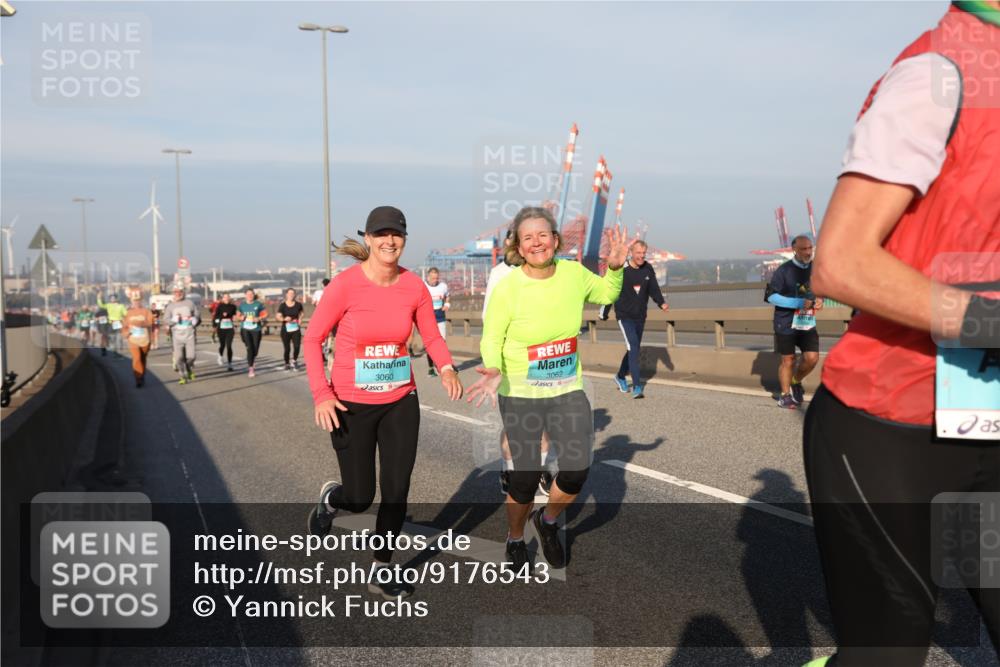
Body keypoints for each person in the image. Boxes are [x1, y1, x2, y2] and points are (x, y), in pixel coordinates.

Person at [802, 3, 1000, 666]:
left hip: (984, 412)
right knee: (887, 652)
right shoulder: (938, 73)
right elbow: (840, 260)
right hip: (886, 422)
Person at [304, 205, 463, 600]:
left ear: (404, 239)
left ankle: (381, 567)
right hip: (350, 405)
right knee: (360, 498)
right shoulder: (344, 286)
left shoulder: (414, 287)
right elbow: (311, 340)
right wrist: (322, 394)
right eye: (381, 234)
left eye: (397, 234)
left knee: (397, 488)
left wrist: (446, 368)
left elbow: (432, 336)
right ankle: (332, 499)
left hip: (399, 400)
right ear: (369, 240)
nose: (389, 240)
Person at [466, 206, 628, 571]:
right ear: (520, 248)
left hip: (566, 387)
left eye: (543, 235)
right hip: (521, 390)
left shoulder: (572, 274)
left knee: (576, 469)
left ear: (555, 240)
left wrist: (615, 269)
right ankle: (514, 537)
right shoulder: (509, 287)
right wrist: (492, 368)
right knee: (523, 477)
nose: (537, 243)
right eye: (528, 238)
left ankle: (548, 521)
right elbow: (492, 337)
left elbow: (605, 294)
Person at [482, 229, 555, 497]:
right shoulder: (499, 274)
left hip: (541, 358)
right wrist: (494, 363)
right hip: (510, 360)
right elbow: (489, 318)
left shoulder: (541, 271)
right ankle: (509, 469)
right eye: (513, 241)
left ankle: (542, 471)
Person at [598, 239, 669, 398]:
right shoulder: (622, 269)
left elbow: (654, 289)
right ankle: (637, 386)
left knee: (632, 348)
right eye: (638, 253)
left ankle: (620, 376)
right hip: (624, 316)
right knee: (634, 347)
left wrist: (661, 303)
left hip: (640, 316)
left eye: (643, 253)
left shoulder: (648, 268)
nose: (641, 256)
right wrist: (604, 311)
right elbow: (611, 289)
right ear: (631, 253)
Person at [766, 234, 822, 408]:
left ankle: (795, 381)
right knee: (788, 359)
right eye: (804, 249)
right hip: (785, 321)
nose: (808, 252)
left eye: (810, 248)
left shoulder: (816, 268)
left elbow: (821, 288)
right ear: (794, 250)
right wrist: (798, 303)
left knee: (812, 358)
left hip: (806, 321)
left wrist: (820, 299)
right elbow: (771, 296)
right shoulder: (784, 270)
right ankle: (784, 396)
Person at [163, 285, 200, 385]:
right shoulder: (170, 306)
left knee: (191, 357)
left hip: (190, 335)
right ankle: (182, 375)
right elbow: (165, 320)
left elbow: (197, 315)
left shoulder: (190, 303)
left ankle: (189, 368)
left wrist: (195, 319)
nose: (178, 293)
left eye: (180, 291)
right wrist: (172, 321)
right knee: (179, 358)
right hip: (176, 337)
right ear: (173, 293)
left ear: (183, 292)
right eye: (176, 292)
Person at [124, 287, 154, 388]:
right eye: (134, 301)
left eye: (138, 300)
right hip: (133, 339)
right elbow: (124, 326)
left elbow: (151, 322)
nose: (136, 302)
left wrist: (142, 324)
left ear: (141, 300)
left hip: (145, 339)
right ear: (131, 301)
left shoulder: (146, 311)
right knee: (136, 358)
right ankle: (138, 378)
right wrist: (126, 333)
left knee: (142, 358)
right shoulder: (128, 313)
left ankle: (142, 374)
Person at [423, 267, 450, 376]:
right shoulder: (423, 286)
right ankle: (430, 368)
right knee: (430, 344)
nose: (435, 280)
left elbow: (447, 296)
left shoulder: (443, 286)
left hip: (440, 316)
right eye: (433, 278)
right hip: (427, 318)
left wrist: (447, 304)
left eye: (437, 278)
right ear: (428, 277)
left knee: (442, 342)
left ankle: (441, 365)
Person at [238, 289, 267, 378]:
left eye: (251, 294)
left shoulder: (258, 304)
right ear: (245, 295)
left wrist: (259, 318)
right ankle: (251, 368)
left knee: (255, 349)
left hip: (256, 329)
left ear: (254, 295)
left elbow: (265, 314)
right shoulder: (242, 305)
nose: (250, 295)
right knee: (250, 348)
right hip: (245, 329)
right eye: (248, 294)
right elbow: (237, 315)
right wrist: (241, 317)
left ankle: (252, 359)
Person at [278, 288, 304, 371]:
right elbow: (278, 316)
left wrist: (300, 321)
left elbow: (301, 313)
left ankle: (294, 361)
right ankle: (287, 363)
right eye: (289, 293)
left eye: (293, 293)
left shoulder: (298, 305)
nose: (291, 295)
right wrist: (284, 319)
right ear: (286, 295)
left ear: (295, 295)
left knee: (297, 346)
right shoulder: (283, 305)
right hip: (286, 329)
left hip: (296, 328)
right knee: (287, 348)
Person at [213, 293, 237, 371]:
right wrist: (222, 316)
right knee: (222, 345)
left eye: (228, 297)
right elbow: (215, 317)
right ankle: (220, 356)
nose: (226, 298)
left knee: (229, 346)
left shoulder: (233, 307)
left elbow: (235, 316)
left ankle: (230, 364)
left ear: (230, 298)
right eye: (225, 297)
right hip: (221, 328)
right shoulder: (220, 306)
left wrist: (234, 317)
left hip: (230, 328)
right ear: (222, 299)